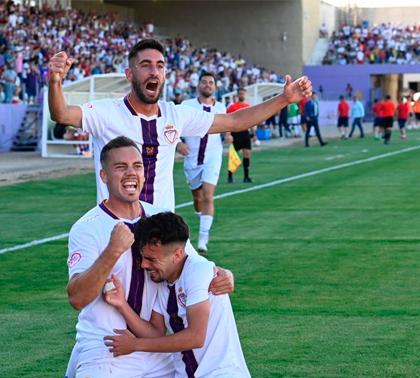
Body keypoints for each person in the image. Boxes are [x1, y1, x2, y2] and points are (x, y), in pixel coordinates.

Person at [0, 137, 259, 378]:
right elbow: (77, 297)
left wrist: (225, 274)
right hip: (109, 346)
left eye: (137, 166)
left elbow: (187, 264)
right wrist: (113, 250)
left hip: (152, 343)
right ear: (104, 176)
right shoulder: (87, 229)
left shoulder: (158, 216)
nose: (131, 174)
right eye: (120, 167)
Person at [47, 38, 312, 210]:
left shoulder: (176, 114)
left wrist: (284, 99)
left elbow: (234, 120)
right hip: (116, 234)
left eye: (160, 66)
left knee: (213, 288)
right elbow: (62, 114)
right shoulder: (107, 113)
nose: (154, 71)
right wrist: (55, 81)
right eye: (146, 65)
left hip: (165, 235)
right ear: (130, 74)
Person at [103, 211, 252, 378]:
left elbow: (195, 337)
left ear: (177, 255)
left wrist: (135, 345)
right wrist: (122, 305)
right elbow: (156, 333)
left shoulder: (200, 271)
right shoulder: (163, 282)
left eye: (151, 259)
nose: (144, 265)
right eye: (143, 257)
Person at [177, 72, 226, 255]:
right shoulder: (186, 106)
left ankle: (203, 239)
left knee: (208, 196)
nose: (207, 85)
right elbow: (171, 127)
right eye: (204, 82)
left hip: (213, 157)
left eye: (211, 82)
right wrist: (178, 143)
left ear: (215, 87)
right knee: (198, 199)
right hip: (192, 159)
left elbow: (228, 126)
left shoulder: (221, 107)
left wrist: (228, 134)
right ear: (198, 85)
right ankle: (202, 216)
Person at [225, 88, 253, 183]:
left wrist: (253, 133)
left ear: (245, 94)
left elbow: (252, 120)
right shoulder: (232, 107)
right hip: (235, 133)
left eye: (243, 93)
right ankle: (230, 176)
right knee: (233, 155)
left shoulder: (248, 106)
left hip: (245, 132)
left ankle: (246, 177)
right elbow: (227, 121)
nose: (241, 95)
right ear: (237, 95)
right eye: (240, 93)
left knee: (247, 154)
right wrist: (228, 134)